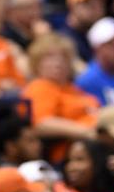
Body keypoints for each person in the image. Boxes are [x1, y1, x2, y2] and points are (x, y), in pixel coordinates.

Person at [22, 33, 100, 163]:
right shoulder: (40, 87)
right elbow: (41, 124)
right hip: (68, 154)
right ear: (36, 63)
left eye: (63, 57)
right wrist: (87, 132)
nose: (58, 63)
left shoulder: (76, 89)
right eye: (49, 57)